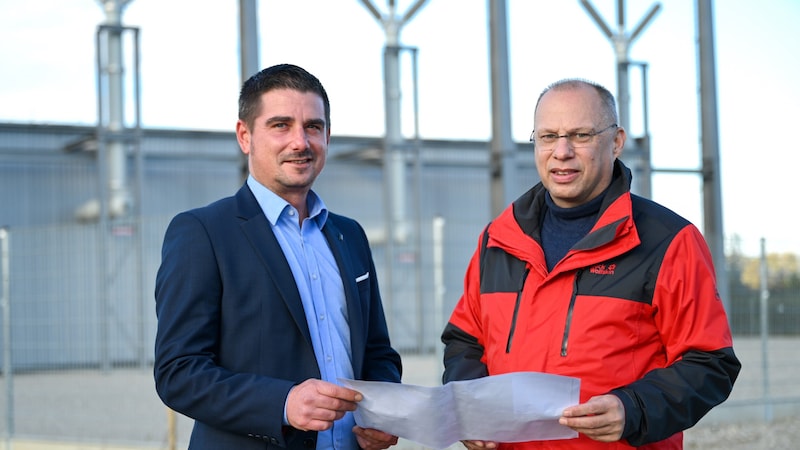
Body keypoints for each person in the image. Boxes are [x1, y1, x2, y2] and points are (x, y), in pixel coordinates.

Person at [441, 78, 741, 449]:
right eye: (548, 136)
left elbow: (709, 363)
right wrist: (471, 407)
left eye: (580, 135)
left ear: (616, 142)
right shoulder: (498, 239)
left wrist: (633, 409)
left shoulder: (668, 241)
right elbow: (465, 341)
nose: (561, 151)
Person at [154, 63, 402, 450]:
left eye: (313, 127)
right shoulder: (203, 233)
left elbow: (377, 352)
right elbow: (179, 372)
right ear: (245, 135)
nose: (300, 142)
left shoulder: (349, 235)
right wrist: (282, 403)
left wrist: (385, 410)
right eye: (280, 125)